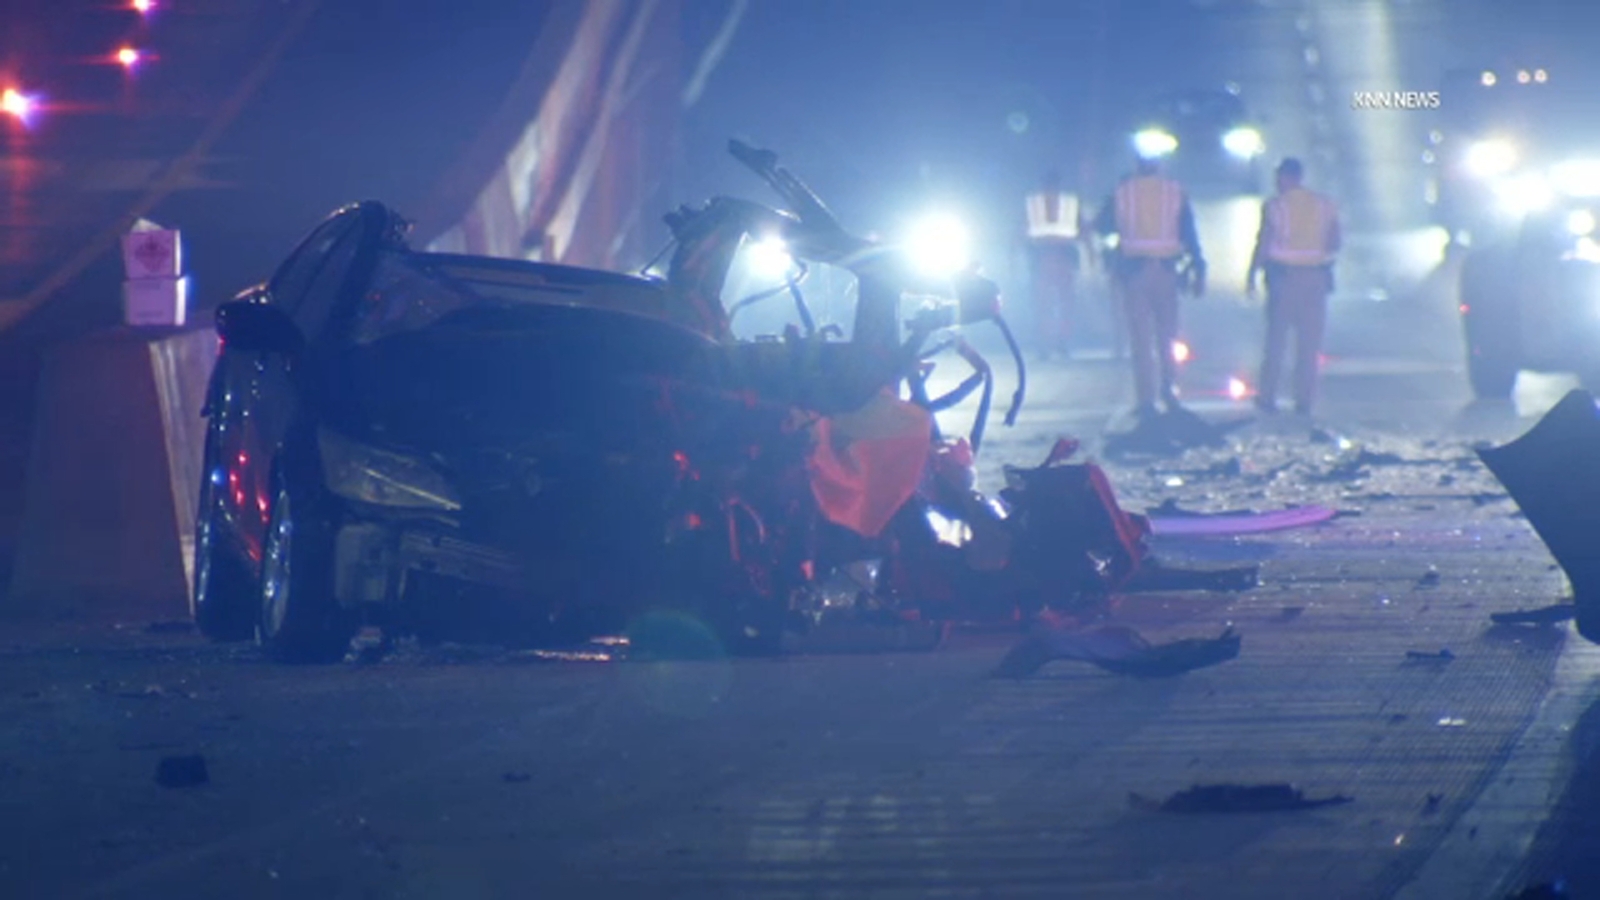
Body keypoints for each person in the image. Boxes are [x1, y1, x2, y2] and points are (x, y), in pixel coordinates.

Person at [1093, 155, 1205, 418]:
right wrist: (1199, 267)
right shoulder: (1174, 192)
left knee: (1141, 340)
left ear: (1137, 167)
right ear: (1159, 167)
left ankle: (1146, 400)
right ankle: (1169, 390)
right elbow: (1189, 233)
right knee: (1167, 336)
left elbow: (1102, 225)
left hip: (1134, 273)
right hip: (1167, 271)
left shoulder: (1122, 193)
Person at [1247, 157, 1341, 416]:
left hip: (1284, 280)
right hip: (1316, 280)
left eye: (1279, 177)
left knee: (1276, 342)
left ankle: (1267, 398)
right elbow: (1335, 242)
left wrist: (1253, 274)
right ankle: (1304, 401)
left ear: (1287, 177)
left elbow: (1264, 242)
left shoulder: (1275, 206)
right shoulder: (1325, 205)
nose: (1277, 182)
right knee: (1309, 344)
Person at [1025, 170, 1087, 358]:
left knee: (1046, 304)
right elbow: (1084, 230)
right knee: (1056, 304)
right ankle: (1058, 343)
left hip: (1047, 259)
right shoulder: (1068, 204)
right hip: (1057, 259)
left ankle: (1049, 344)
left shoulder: (1035, 204)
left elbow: (1019, 231)